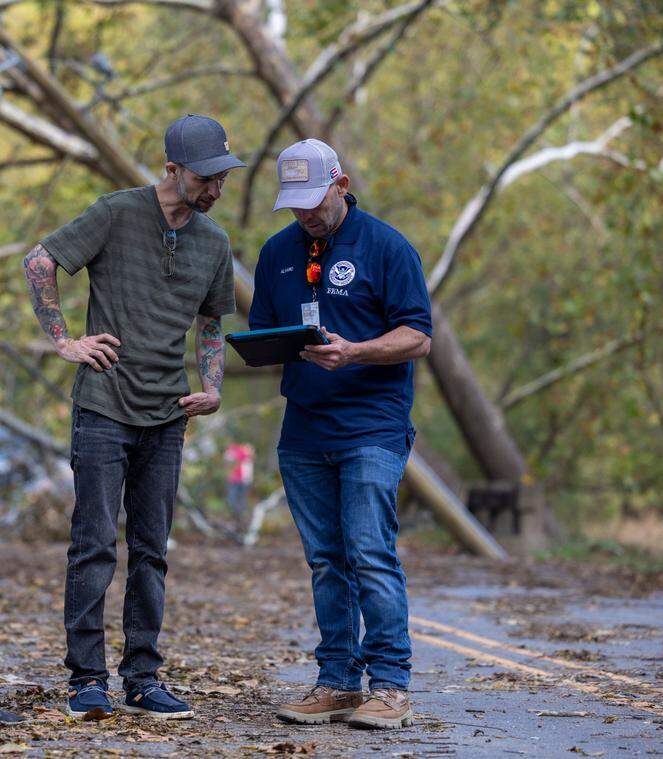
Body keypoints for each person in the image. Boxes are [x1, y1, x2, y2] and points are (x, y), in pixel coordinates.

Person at [22, 114, 244, 721]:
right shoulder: (116, 212)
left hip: (167, 414)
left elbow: (210, 324)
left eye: (223, 176)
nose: (216, 189)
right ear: (172, 170)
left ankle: (143, 678)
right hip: (104, 407)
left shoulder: (214, 241)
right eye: (206, 177)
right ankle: (86, 680)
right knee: (93, 544)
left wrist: (212, 388)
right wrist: (66, 341)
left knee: (152, 548)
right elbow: (39, 262)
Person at [248, 139, 431, 729]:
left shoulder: (387, 246)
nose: (305, 213)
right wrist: (267, 349)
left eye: (314, 199)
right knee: (327, 561)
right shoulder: (277, 252)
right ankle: (337, 683)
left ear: (341, 184)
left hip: (371, 426)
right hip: (303, 430)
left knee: (369, 553)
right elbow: (264, 333)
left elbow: (418, 337)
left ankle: (392, 687)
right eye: (293, 203)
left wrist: (355, 354)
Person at [224, 442, 255, 530]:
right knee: (233, 500)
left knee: (241, 500)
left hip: (244, 480)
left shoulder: (246, 455)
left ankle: (241, 520)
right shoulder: (236, 452)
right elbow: (228, 461)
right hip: (234, 480)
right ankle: (236, 518)